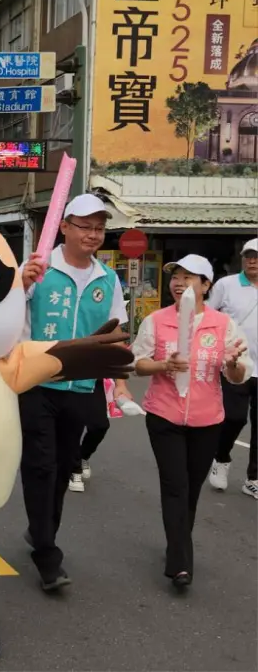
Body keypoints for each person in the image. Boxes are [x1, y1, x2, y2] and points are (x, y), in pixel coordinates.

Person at [17, 194, 134, 590]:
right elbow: (7, 316)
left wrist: (119, 379)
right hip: (37, 382)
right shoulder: (37, 270)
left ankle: (42, 530)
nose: (93, 234)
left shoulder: (107, 278)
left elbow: (117, 330)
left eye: (100, 228)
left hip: (81, 387)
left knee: (65, 466)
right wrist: (21, 285)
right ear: (64, 226)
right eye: (85, 226)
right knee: (40, 465)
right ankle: (47, 554)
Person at [131, 255, 251, 587]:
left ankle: (177, 543)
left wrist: (232, 364)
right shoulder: (156, 320)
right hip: (163, 415)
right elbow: (137, 362)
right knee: (175, 486)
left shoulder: (222, 324)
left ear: (206, 285)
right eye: (175, 276)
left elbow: (240, 375)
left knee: (191, 491)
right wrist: (161, 366)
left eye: (189, 277)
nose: (179, 282)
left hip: (207, 419)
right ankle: (180, 562)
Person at [207, 238, 258, 498]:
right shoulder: (226, 285)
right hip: (234, 365)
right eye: (248, 256)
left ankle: (254, 478)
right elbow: (207, 316)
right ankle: (221, 456)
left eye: (257, 256)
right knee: (234, 418)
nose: (252, 261)